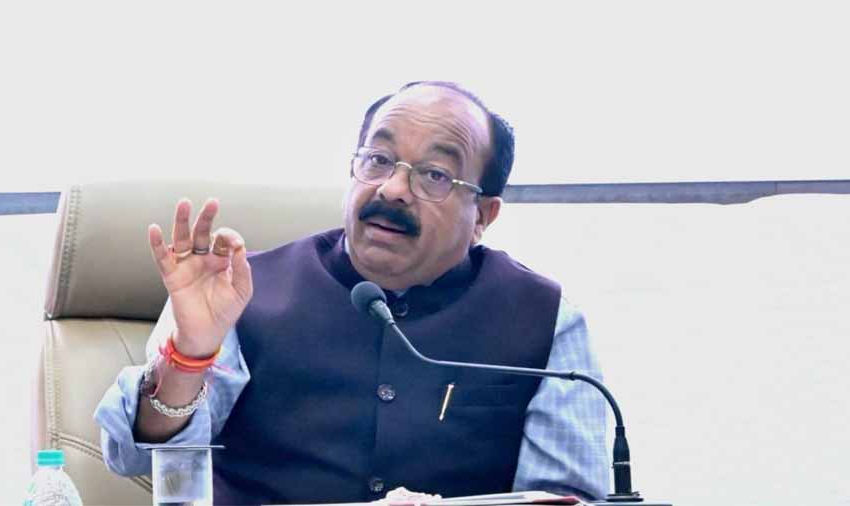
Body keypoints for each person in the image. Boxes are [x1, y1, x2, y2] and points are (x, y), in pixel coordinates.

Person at [95, 81, 609, 504]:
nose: (392, 189)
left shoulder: (545, 319)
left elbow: (567, 497)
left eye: (434, 175)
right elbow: (132, 456)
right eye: (379, 159)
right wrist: (188, 357)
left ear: (484, 216)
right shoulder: (241, 292)